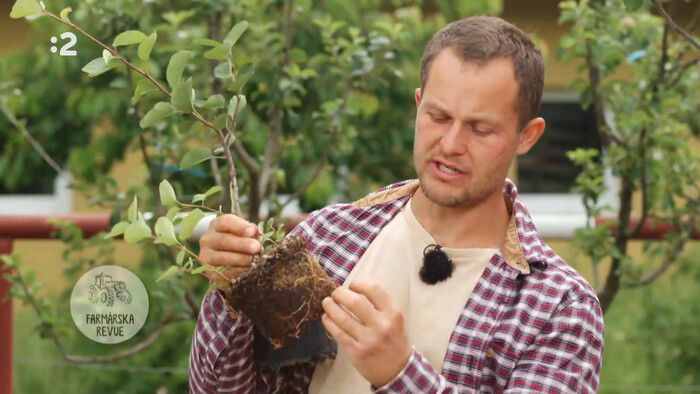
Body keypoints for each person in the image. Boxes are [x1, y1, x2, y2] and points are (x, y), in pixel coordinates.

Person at [188, 15, 604, 393]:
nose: (451, 144)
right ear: (419, 104)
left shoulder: (557, 307)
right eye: (439, 117)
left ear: (526, 136)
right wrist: (231, 292)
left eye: (480, 128)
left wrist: (399, 373)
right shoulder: (328, 238)